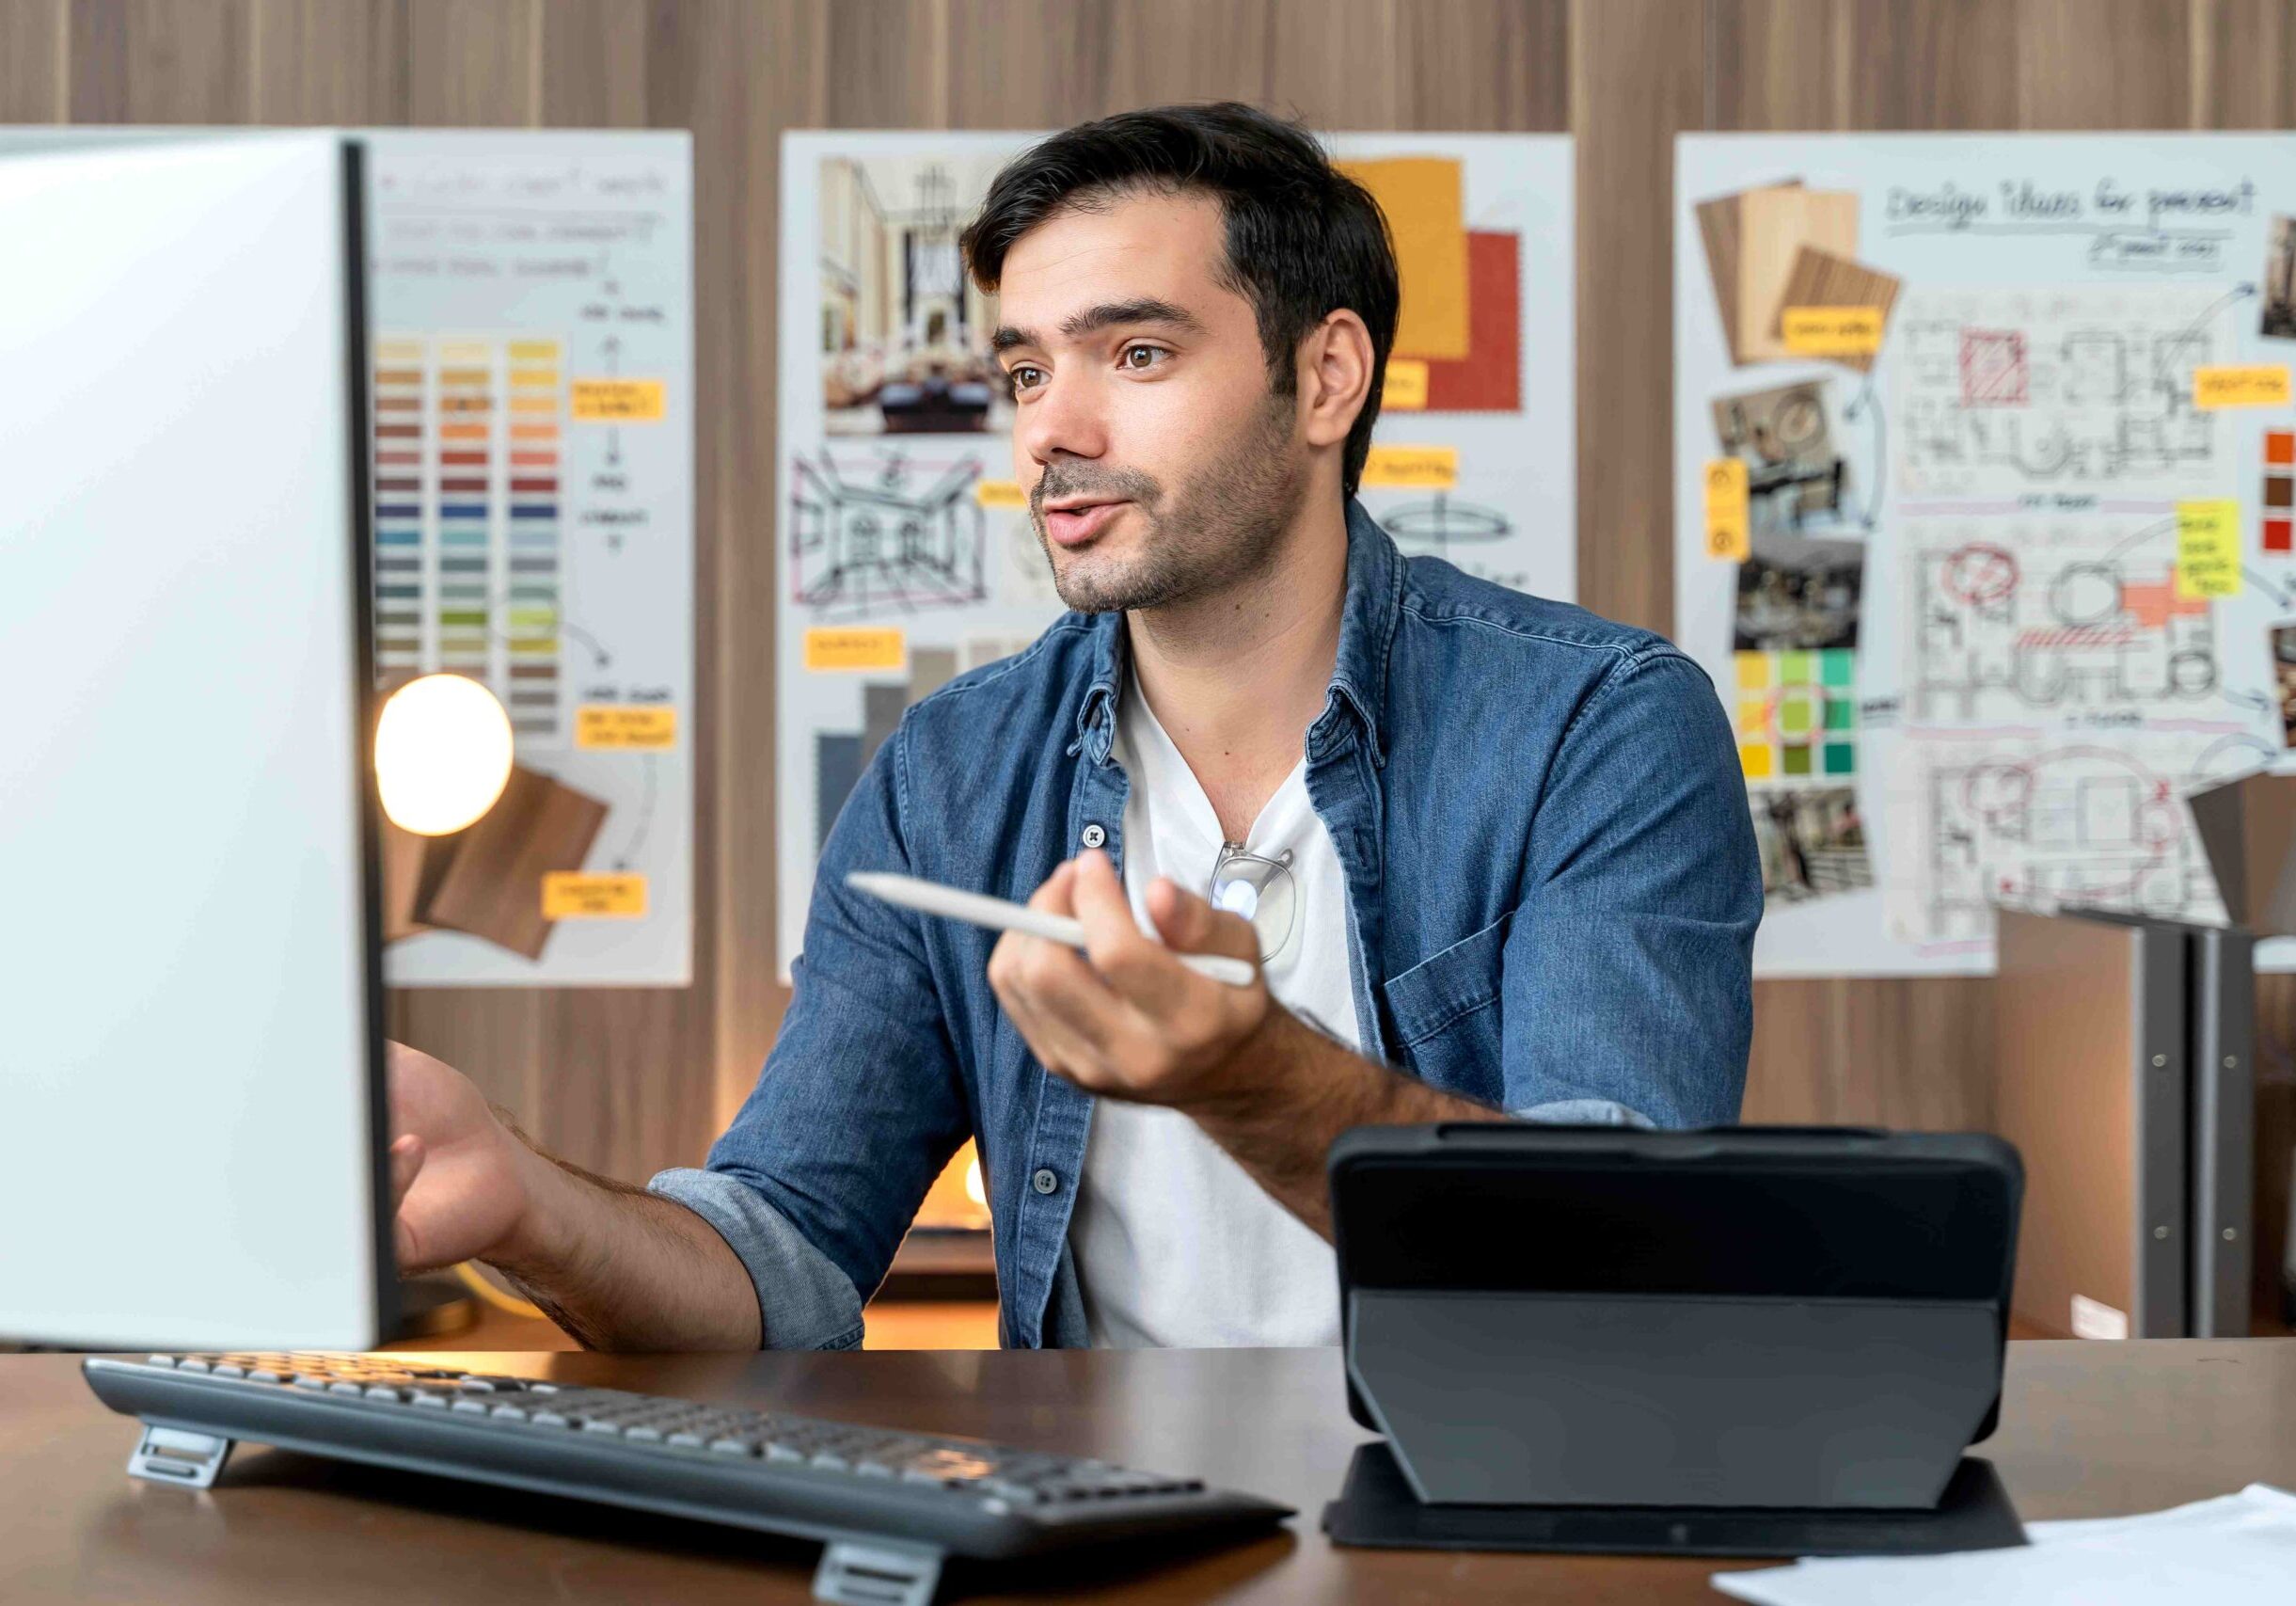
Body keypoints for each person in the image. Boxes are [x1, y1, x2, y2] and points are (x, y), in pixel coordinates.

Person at [385, 103, 1762, 1352]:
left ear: (1326, 376)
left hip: (1482, 1519)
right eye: (1028, 371)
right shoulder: (950, 773)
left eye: (1137, 352)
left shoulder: (1597, 725)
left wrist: (1251, 1075)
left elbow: (1621, 1259)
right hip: (1118, 1532)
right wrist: (525, 1204)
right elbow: (780, 1265)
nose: (1052, 427)